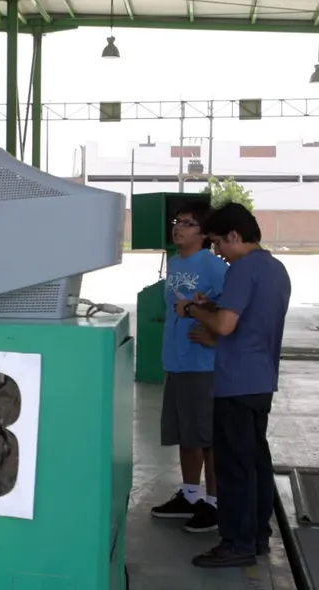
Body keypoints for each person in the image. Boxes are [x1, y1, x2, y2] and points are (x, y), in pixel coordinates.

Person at [176, 202, 291, 568]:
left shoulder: (242, 269)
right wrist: (212, 305)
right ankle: (256, 535)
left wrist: (193, 310)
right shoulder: (276, 268)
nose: (219, 254)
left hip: (236, 382)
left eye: (218, 243)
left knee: (235, 468)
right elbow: (247, 319)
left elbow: (225, 326)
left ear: (235, 236)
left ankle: (237, 543)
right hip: (261, 380)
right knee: (255, 463)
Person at [150, 202, 228, 534]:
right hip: (177, 362)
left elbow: (232, 310)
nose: (179, 227)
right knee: (186, 435)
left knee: (208, 437)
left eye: (189, 223)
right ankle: (190, 494)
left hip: (203, 365)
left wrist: (214, 336)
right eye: (177, 222)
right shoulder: (175, 262)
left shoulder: (213, 265)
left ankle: (214, 503)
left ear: (205, 233)